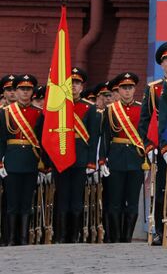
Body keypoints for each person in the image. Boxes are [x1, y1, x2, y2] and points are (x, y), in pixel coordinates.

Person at [139, 40, 167, 245]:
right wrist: (148, 146)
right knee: (161, 188)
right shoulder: (154, 89)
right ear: (161, 65)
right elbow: (145, 121)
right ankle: (161, 228)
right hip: (160, 146)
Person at [54, 67, 100, 243]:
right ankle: (61, 235)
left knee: (76, 200)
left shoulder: (89, 108)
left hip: (80, 158)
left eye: (77, 83)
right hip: (61, 157)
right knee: (62, 198)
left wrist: (91, 162)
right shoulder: (57, 106)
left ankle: (75, 236)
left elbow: (93, 137)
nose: (73, 86)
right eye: (71, 83)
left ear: (82, 87)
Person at [99, 72, 145, 243]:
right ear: (118, 90)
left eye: (130, 88)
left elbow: (146, 135)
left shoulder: (141, 108)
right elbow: (105, 136)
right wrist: (102, 160)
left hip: (136, 158)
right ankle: (116, 236)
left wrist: (147, 158)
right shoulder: (110, 111)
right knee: (115, 201)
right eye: (124, 88)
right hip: (116, 158)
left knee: (132, 200)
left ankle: (127, 237)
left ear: (134, 89)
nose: (127, 91)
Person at [0, 74, 44, 246]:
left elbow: (43, 141)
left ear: (32, 92)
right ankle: (11, 238)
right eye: (21, 89)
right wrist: (1, 162)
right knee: (12, 202)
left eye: (28, 89)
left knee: (27, 202)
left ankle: (24, 238)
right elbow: (1, 140)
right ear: (15, 92)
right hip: (11, 161)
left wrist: (44, 164)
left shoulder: (39, 113)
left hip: (31, 162)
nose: (25, 93)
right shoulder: (5, 113)